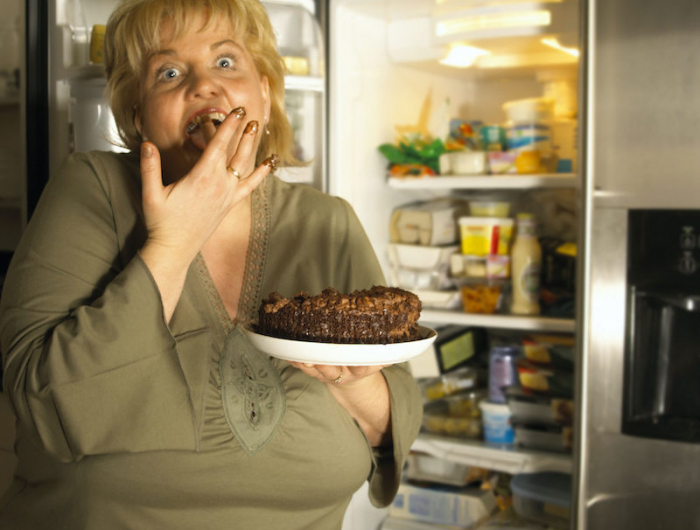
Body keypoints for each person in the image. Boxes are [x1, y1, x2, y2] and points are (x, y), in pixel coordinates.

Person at [0, 0, 423, 528]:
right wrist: (173, 244)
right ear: (137, 116)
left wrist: (353, 380)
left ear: (264, 94)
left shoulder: (328, 222)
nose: (202, 85)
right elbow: (45, 408)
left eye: (226, 62)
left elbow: (391, 422)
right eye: (169, 72)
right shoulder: (90, 190)